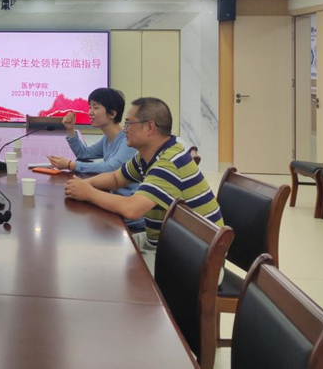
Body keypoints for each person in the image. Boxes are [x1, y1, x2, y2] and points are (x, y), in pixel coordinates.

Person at [64, 97, 221, 273]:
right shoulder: (146, 155)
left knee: (112, 271)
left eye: (128, 124)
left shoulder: (168, 162)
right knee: (100, 251)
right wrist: (82, 185)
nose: (124, 129)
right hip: (162, 242)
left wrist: (88, 193)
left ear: (149, 127)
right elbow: (116, 178)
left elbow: (132, 209)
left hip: (196, 259)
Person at [48, 88, 143, 230]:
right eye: (90, 107)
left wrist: (71, 165)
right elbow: (84, 154)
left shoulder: (127, 141)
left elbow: (110, 168)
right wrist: (70, 129)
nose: (90, 112)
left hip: (126, 211)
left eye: (96, 107)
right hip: (111, 201)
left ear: (112, 114)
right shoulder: (107, 139)